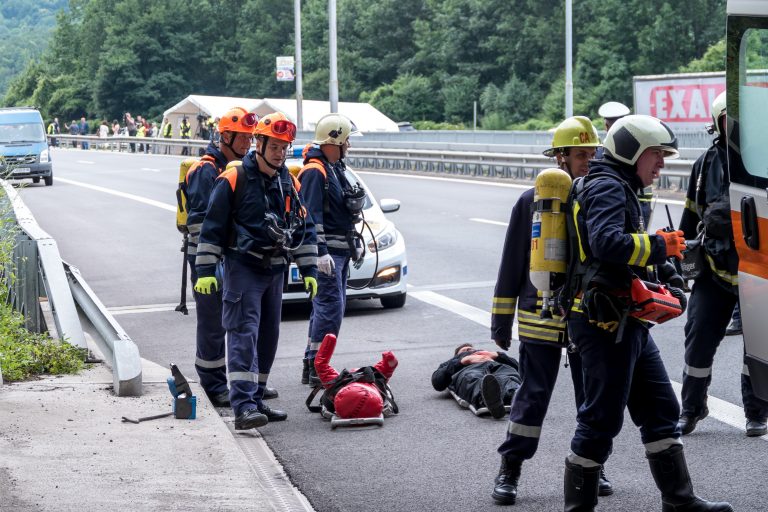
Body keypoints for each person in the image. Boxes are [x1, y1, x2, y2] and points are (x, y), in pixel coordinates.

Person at [562, 114, 732, 511]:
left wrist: (666, 272)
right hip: (603, 323)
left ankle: (679, 502)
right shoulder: (607, 186)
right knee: (600, 421)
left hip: (626, 319)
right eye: (655, 154)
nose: (660, 164)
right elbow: (607, 244)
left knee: (660, 409)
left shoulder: (621, 186)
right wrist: (660, 246)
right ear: (630, 151)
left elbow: (625, 253)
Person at [491, 116, 613, 506]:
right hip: (538, 315)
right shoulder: (530, 202)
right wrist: (501, 320)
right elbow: (512, 262)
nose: (588, 162)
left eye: (592, 154)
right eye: (580, 155)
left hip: (584, 314)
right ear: (560, 157)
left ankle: (593, 464)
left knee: (590, 397)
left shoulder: (597, 198)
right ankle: (510, 469)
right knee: (532, 395)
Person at [194, 111, 318, 430]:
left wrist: (310, 269)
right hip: (243, 268)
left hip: (275, 269)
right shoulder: (234, 178)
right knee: (243, 334)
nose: (280, 153)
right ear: (258, 144)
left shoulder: (288, 181)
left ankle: (258, 398)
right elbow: (211, 228)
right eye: (274, 146)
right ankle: (244, 406)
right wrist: (206, 270)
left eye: (284, 147)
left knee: (267, 337)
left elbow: (303, 227)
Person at [677, 91, 768, 437]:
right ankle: (691, 409)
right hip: (713, 270)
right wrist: (679, 259)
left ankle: (756, 412)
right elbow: (690, 216)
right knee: (698, 338)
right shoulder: (704, 165)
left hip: (756, 271)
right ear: (718, 123)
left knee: (757, 346)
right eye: (730, 120)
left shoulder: (763, 161)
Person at [184, 107, 275, 407]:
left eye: (251, 138)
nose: (248, 143)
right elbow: (201, 223)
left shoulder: (242, 169)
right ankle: (213, 385)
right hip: (208, 259)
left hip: (233, 258)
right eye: (243, 137)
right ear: (226, 137)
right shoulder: (207, 170)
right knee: (213, 322)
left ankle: (244, 383)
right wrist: (210, 265)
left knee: (242, 323)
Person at [297, 113, 362, 386]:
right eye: (346, 141)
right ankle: (317, 367)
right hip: (329, 255)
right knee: (329, 310)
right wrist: (320, 251)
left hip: (339, 251)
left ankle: (313, 363)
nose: (349, 145)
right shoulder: (315, 171)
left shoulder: (333, 168)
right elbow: (310, 216)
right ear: (334, 141)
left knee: (328, 309)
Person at [314, 333, 398, 420]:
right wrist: (389, 358)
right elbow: (321, 365)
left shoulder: (337, 385)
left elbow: (320, 364)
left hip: (347, 400)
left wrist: (329, 341)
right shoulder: (375, 381)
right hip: (369, 399)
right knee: (381, 379)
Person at [431, 343, 521, 419]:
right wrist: (461, 361)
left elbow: (521, 369)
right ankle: (487, 399)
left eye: (471, 349)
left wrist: (499, 355)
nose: (469, 350)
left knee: (509, 377)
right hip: (469, 369)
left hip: (496, 365)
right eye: (464, 350)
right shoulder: (453, 361)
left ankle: (514, 395)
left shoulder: (491, 355)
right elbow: (437, 381)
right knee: (473, 378)